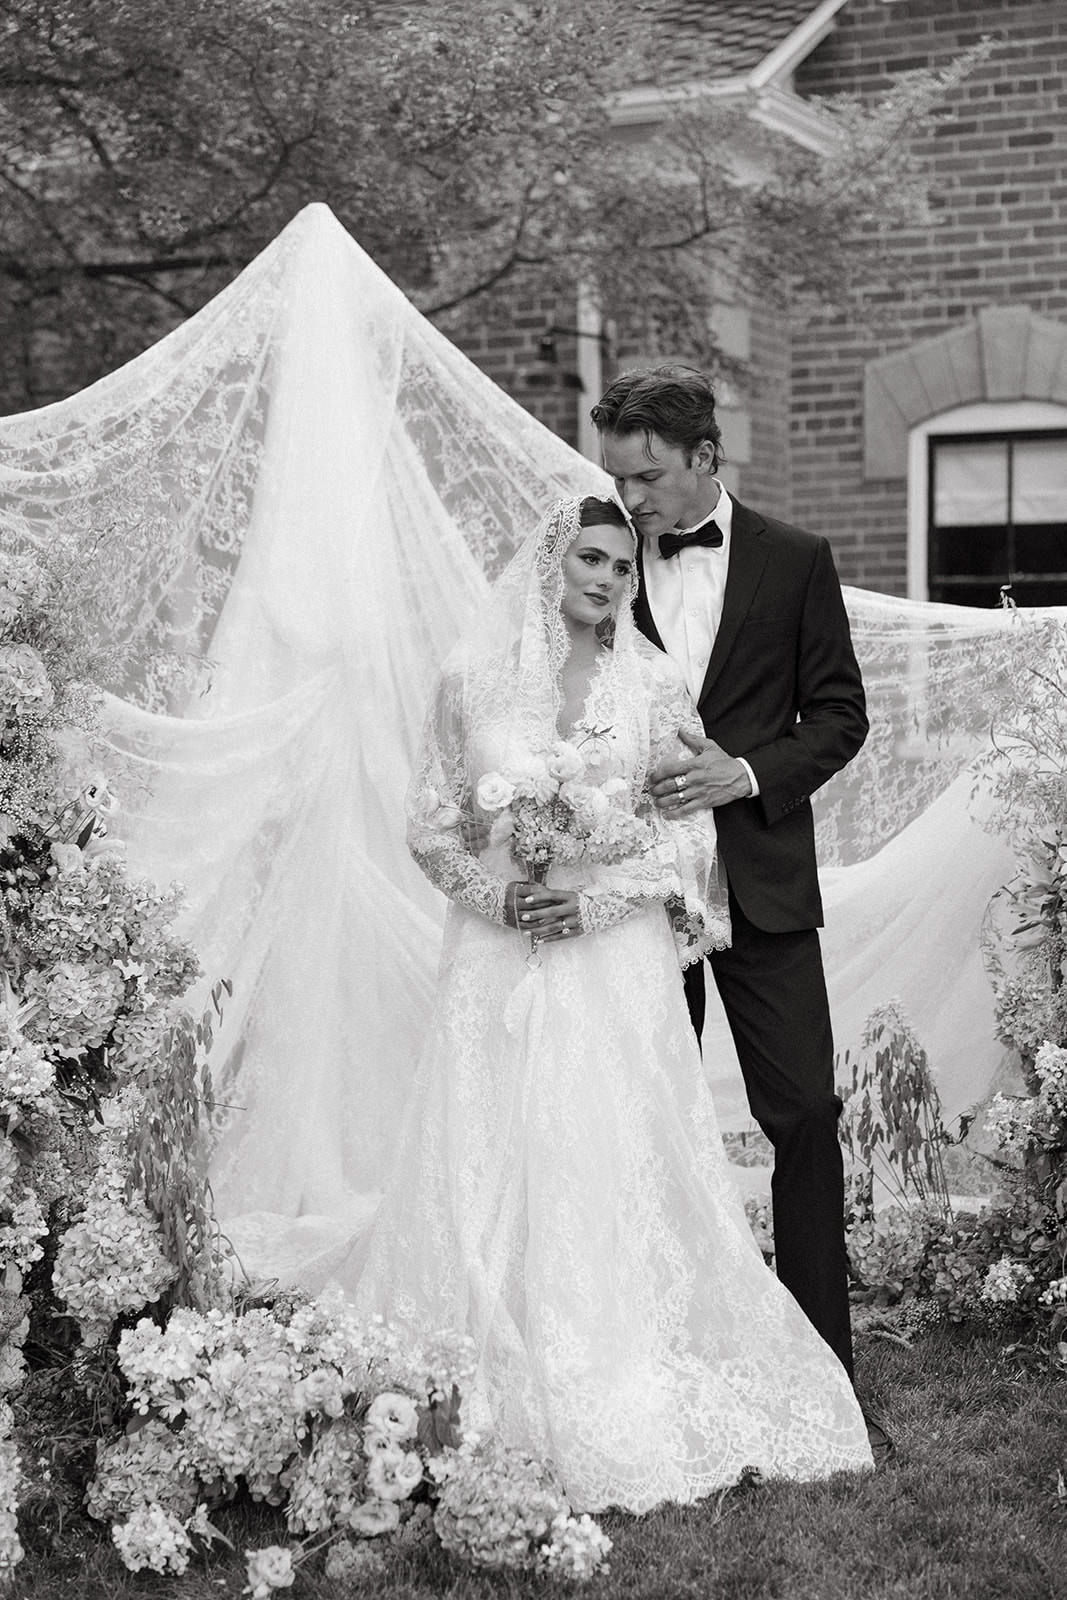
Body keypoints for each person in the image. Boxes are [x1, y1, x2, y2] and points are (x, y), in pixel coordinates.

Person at [340, 493, 872, 1512]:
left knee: (601, 1154)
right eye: (589, 557)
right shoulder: (472, 681)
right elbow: (429, 825)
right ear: (550, 562)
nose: (605, 578)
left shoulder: (654, 683)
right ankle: (477, 1371)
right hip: (496, 964)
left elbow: (685, 836)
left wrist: (595, 902)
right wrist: (501, 895)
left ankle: (612, 1356)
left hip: (613, 963)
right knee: (492, 1152)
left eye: (621, 567)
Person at [590, 365, 886, 1454]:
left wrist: (745, 774)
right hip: (632, 895)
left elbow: (841, 716)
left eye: (649, 475)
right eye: (617, 477)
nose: (632, 501)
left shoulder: (797, 562)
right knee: (639, 1128)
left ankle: (821, 1372)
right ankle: (648, 1358)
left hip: (759, 887)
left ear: (706, 457)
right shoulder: (601, 559)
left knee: (802, 1113)